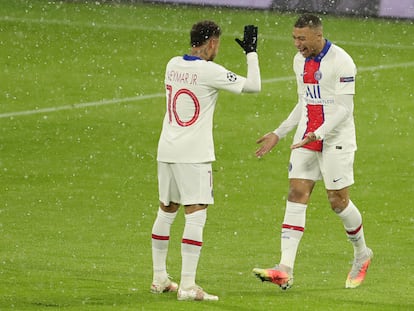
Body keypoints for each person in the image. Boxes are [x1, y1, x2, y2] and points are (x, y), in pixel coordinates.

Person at [253, 13, 372, 290]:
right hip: (305, 137)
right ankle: (284, 269)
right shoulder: (299, 61)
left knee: (337, 202)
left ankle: (362, 253)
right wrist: (278, 133)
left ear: (318, 35)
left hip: (335, 138)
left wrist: (318, 133)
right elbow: (304, 101)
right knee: (296, 193)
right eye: (294, 38)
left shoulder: (342, 62)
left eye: (302, 39)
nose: (297, 44)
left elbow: (344, 109)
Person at [150, 20, 261, 301]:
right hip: (194, 154)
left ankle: (159, 278)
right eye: (218, 44)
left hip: (167, 149)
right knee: (196, 215)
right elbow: (254, 86)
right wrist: (251, 53)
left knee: (166, 210)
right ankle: (188, 286)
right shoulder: (210, 71)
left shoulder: (172, 64)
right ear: (212, 42)